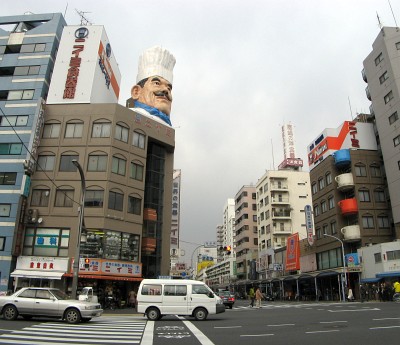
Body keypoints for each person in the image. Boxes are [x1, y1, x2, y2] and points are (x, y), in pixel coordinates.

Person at [129, 46, 176, 126]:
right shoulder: (129, 117)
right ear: (136, 92)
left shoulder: (168, 127)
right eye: (157, 83)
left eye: (169, 88)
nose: (166, 90)